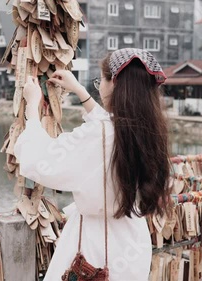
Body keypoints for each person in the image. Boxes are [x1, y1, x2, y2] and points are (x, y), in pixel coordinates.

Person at [14, 48, 171, 280]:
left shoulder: (99, 135)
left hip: (96, 246)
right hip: (132, 242)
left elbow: (41, 161)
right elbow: (110, 130)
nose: (100, 88)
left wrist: (32, 108)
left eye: (101, 81)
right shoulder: (149, 131)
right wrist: (79, 91)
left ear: (114, 84)